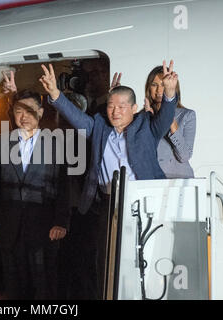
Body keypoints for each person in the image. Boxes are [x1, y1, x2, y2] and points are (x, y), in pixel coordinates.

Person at [39, 60, 179, 299]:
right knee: (107, 259)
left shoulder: (146, 126)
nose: (115, 111)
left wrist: (169, 92)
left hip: (142, 204)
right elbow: (75, 116)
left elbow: (165, 117)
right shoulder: (99, 127)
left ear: (134, 108)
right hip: (107, 203)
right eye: (111, 106)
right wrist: (55, 93)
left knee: (143, 258)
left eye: (122, 106)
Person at [0, 89, 69, 299]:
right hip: (9, 227)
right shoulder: (0, 143)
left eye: (30, 110)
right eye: (19, 111)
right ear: (12, 113)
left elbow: (63, 188)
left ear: (40, 112)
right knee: (13, 286)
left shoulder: (55, 144)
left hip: (44, 228)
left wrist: (61, 222)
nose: (24, 116)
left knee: (44, 286)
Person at [144, 65, 196, 178]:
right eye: (154, 85)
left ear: (172, 87)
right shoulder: (141, 117)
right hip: (151, 181)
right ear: (149, 88)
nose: (159, 90)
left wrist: (168, 115)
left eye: (163, 84)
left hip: (180, 182)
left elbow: (184, 156)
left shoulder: (187, 115)